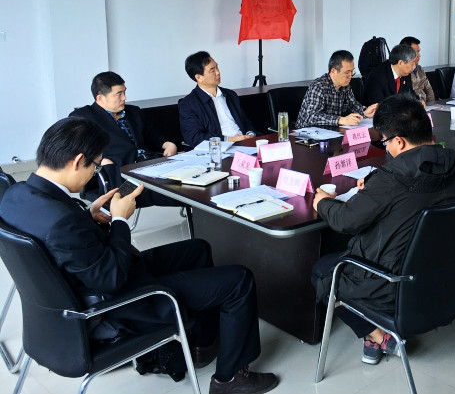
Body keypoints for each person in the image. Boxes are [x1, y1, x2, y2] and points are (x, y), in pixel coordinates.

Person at [0, 117, 278, 394]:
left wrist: (89, 217)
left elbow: (63, 244)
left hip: (85, 286)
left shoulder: (16, 195)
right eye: (95, 165)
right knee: (240, 280)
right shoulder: (62, 223)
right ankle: (230, 380)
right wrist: (120, 220)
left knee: (198, 249)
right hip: (118, 304)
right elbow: (111, 278)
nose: (94, 173)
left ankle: (201, 345)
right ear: (77, 161)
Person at [310, 94, 455, 365]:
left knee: (322, 271)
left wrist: (323, 202)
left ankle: (377, 335)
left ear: (399, 141)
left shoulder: (391, 179)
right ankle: (376, 336)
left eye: (384, 141)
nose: (385, 148)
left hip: (395, 287)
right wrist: (373, 188)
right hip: (449, 277)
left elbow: (345, 221)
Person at [70, 71, 179, 207]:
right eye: (119, 94)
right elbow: (77, 151)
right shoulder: (83, 118)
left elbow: (152, 136)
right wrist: (101, 161)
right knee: (175, 192)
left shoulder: (134, 112)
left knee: (189, 181)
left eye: (124, 92)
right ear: (100, 98)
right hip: (121, 178)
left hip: (150, 167)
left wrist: (167, 144)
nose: (124, 98)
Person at [179, 51, 257, 148]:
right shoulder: (188, 104)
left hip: (245, 144)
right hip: (219, 149)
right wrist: (230, 139)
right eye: (212, 70)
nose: (218, 72)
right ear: (199, 77)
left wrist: (250, 135)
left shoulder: (230, 95)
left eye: (217, 67)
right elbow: (195, 138)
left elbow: (245, 122)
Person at [296, 50, 377, 128]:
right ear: (333, 71)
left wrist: (364, 112)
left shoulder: (345, 86)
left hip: (332, 131)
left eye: (352, 72)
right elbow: (312, 116)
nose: (350, 76)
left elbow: (353, 105)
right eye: (347, 73)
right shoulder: (318, 87)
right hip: (307, 133)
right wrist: (341, 120)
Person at [400, 36, 435, 103]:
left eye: (419, 52)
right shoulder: (403, 72)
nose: (419, 55)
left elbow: (428, 89)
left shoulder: (419, 69)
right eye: (416, 53)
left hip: (425, 104)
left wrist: (432, 104)